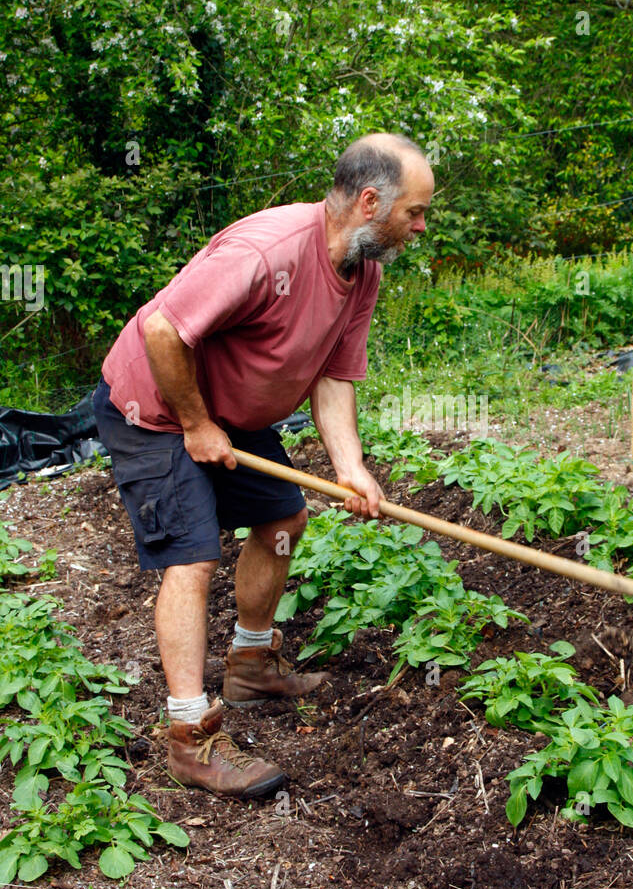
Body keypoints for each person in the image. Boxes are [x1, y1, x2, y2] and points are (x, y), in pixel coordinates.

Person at [93, 133, 434, 798]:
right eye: (414, 212)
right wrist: (195, 424)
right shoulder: (266, 251)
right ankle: (191, 738)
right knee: (190, 557)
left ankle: (249, 664)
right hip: (157, 407)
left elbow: (334, 373)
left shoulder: (362, 269)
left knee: (282, 516)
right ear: (370, 202)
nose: (419, 226)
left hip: (232, 417)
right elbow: (164, 330)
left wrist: (350, 466)